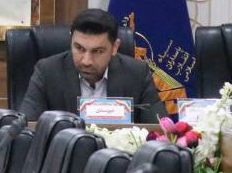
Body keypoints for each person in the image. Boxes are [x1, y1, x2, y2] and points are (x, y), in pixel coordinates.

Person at [20, 8, 166, 123]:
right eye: (79, 48)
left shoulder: (137, 74)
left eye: (97, 51)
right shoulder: (47, 72)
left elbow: (161, 131)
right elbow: (28, 128)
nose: (86, 61)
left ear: (114, 47)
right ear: (71, 41)